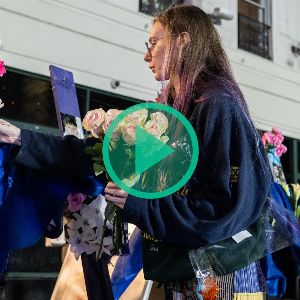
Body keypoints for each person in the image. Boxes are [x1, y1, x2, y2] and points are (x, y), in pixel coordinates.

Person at [0, 4, 271, 299]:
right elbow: (105, 156)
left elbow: (222, 210)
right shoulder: (176, 109)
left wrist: (142, 205)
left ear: (183, 41)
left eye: (154, 42)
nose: (146, 55)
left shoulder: (218, 106)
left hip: (219, 279)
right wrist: (21, 138)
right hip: (190, 269)